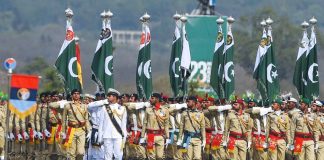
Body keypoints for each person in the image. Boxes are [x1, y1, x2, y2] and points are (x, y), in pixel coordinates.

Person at [139, 93, 171, 160]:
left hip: (160, 136)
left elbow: (166, 124)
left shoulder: (165, 110)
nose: (150, 100)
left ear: (157, 99)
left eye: (152, 98)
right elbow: (145, 123)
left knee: (160, 156)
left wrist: (168, 137)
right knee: (151, 156)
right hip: (150, 135)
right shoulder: (148, 109)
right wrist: (142, 136)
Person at [61, 89, 91, 160]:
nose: (76, 95)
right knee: (72, 153)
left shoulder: (84, 106)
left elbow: (86, 119)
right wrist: (63, 132)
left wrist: (89, 130)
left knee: (80, 152)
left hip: (81, 130)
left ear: (79, 95)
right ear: (72, 95)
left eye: (78, 93)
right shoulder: (67, 105)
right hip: (71, 130)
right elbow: (64, 120)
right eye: (74, 93)